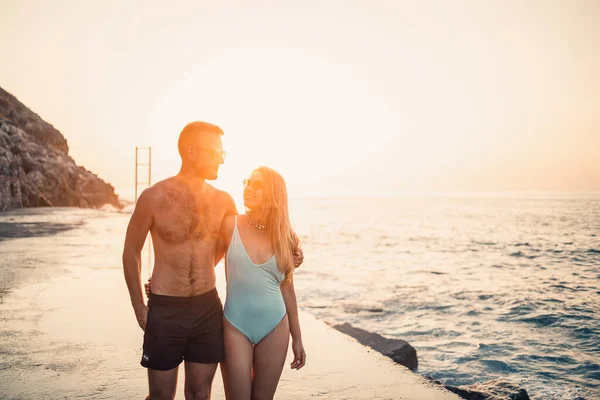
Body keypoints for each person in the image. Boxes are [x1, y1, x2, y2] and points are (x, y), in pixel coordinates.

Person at [122, 121, 303, 400]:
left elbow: (242, 242)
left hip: (207, 309)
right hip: (165, 308)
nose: (221, 158)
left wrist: (293, 254)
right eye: (216, 151)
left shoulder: (223, 202)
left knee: (199, 394)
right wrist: (139, 306)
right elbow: (131, 251)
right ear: (192, 153)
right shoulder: (153, 198)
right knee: (160, 395)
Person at [219, 167, 306, 400]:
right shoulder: (230, 226)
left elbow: (287, 288)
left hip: (275, 327)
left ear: (273, 194)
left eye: (258, 186)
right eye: (249, 182)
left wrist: (297, 338)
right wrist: (167, 282)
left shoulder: (286, 236)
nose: (249, 188)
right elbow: (204, 262)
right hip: (235, 325)